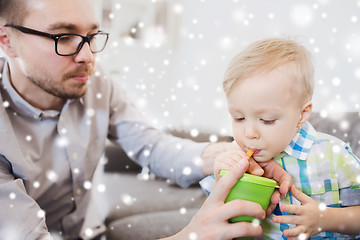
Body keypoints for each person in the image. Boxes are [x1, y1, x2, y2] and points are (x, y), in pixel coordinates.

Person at [0, 0, 292, 239]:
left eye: (90, 37)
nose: (88, 56)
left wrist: (225, 154)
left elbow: (149, 144)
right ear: (7, 41)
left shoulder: (96, 84)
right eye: (63, 37)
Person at [208, 38, 360, 239]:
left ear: (302, 114)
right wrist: (222, 177)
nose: (249, 133)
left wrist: (324, 218)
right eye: (239, 118)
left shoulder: (334, 155)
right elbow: (215, 220)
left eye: (267, 120)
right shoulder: (238, 155)